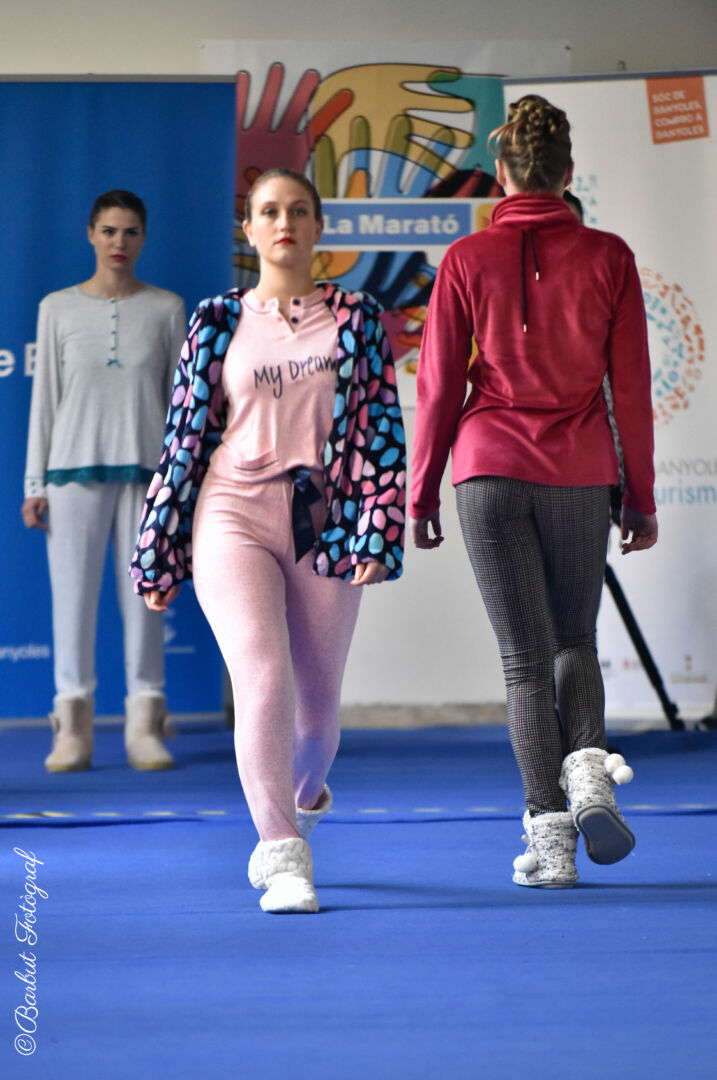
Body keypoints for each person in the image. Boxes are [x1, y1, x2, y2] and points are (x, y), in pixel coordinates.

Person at [130, 168, 406, 914]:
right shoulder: (217, 320)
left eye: (298, 210)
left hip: (324, 521)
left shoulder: (356, 318)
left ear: (317, 228)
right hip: (231, 513)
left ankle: (298, 801)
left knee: (316, 717)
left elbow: (382, 431)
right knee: (261, 674)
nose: (284, 222)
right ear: (249, 230)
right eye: (269, 212)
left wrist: (378, 529)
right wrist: (158, 548)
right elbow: (184, 437)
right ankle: (283, 854)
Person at [409, 95, 657, 888]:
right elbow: (631, 390)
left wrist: (420, 493)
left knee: (521, 662)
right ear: (567, 172)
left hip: (487, 470)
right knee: (572, 640)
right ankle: (589, 780)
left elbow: (438, 386)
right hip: (579, 472)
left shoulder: (464, 259)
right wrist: (640, 496)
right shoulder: (609, 256)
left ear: (501, 174)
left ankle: (550, 848)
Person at [22, 190, 186, 773]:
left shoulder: (167, 308)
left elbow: (180, 404)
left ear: (144, 238)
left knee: (146, 602)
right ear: (91, 234)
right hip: (70, 474)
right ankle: (72, 729)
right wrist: (34, 483)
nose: (120, 242)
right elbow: (45, 398)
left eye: (131, 231)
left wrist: (179, 486)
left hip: (148, 477)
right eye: (110, 230)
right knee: (71, 601)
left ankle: (146, 723)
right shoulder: (56, 308)